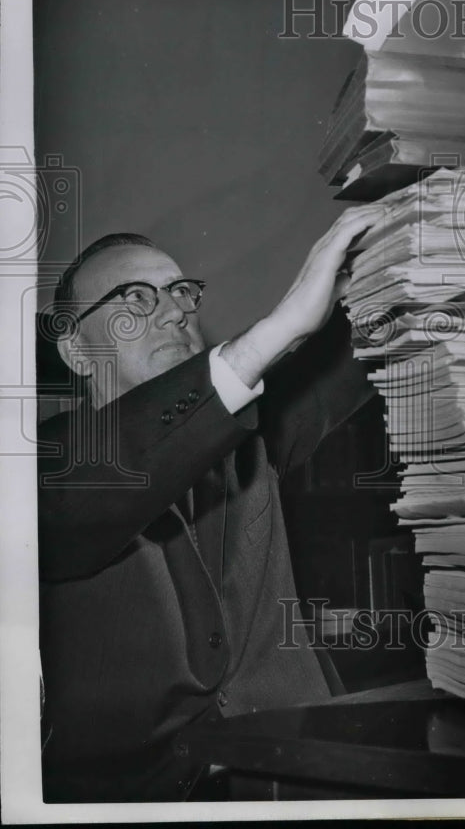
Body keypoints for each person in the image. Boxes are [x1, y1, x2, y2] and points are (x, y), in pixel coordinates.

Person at [37, 205, 383, 802]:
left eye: (180, 292)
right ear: (75, 350)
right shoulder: (45, 464)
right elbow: (98, 488)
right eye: (135, 298)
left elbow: (360, 347)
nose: (174, 310)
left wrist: (382, 276)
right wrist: (280, 328)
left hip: (298, 771)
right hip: (137, 800)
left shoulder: (253, 437)